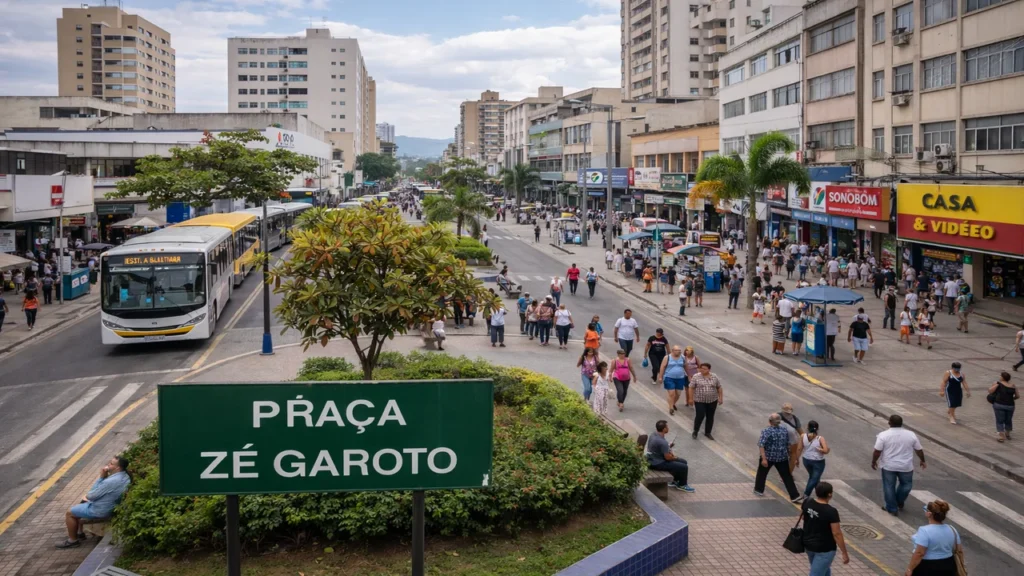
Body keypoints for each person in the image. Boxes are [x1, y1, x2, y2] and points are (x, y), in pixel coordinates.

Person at [56, 456, 131, 549]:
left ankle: (72, 541)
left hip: (100, 510)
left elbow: (91, 495)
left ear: (118, 468)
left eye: (111, 464)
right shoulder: (125, 476)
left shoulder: (110, 481)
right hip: (113, 506)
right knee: (82, 504)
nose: (108, 464)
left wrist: (101, 477)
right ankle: (79, 533)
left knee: (70, 513)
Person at [872, 414, 926, 515]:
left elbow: (877, 451)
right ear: (902, 423)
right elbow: (918, 449)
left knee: (889, 486)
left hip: (889, 466)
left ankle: (892, 507)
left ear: (889, 423)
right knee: (906, 485)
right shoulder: (911, 434)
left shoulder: (883, 435)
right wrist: (922, 460)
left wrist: (874, 461)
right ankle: (899, 501)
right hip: (906, 466)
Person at [905, 500, 962, 576]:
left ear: (929, 514)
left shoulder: (924, 531)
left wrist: (910, 569)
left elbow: (920, 553)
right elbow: (960, 551)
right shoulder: (952, 529)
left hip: (928, 567)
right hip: (949, 565)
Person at [754, 413, 803, 502]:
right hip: (782, 457)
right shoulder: (784, 430)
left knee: (762, 474)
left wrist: (764, 458)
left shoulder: (767, 431)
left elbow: (761, 445)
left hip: (769, 457)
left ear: (770, 421)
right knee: (787, 476)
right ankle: (794, 495)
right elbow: (787, 443)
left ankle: (759, 490)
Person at [645, 420, 695, 492]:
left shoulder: (653, 435)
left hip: (652, 458)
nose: (668, 428)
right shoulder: (662, 442)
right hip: (658, 463)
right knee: (684, 466)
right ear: (664, 429)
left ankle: (675, 480)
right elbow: (668, 458)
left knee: (683, 461)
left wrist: (668, 447)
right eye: (667, 427)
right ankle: (682, 485)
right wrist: (675, 457)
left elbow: (659, 448)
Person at [690, 362, 723, 440]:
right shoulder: (696, 377)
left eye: (704, 369)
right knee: (700, 415)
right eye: (701, 368)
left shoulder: (714, 376)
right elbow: (691, 387)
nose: (702, 370)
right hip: (699, 400)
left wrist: (720, 398)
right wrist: (690, 399)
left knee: (710, 416)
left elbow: (719, 387)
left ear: (709, 369)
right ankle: (695, 431)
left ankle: (708, 432)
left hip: (712, 400)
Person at [801, 421, 830, 500]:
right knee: (814, 478)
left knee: (814, 477)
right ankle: (806, 494)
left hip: (806, 460)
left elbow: (799, 448)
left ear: (807, 428)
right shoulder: (820, 438)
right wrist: (823, 450)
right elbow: (825, 450)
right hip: (818, 461)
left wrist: (796, 459)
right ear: (817, 429)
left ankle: (820, 494)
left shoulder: (803, 436)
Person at [988, 371, 1018, 443]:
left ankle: (1001, 436)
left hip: (999, 405)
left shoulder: (998, 384)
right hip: (1010, 405)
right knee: (1008, 420)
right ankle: (1007, 434)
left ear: (1002, 377)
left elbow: (990, 391)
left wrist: (995, 384)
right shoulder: (1013, 385)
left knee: (1000, 421)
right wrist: (1011, 399)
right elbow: (1017, 396)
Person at [659, 346, 688, 415]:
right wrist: (660, 376)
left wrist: (688, 375)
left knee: (678, 394)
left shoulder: (683, 357)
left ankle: (673, 403)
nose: (678, 352)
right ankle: (671, 408)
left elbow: (685, 366)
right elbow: (662, 367)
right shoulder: (667, 357)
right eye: (676, 350)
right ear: (672, 350)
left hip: (680, 378)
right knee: (672, 393)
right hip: (669, 377)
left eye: (679, 350)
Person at [780, 403, 804, 473]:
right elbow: (801, 433)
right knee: (793, 456)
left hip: (782, 440)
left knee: (791, 456)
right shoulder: (795, 419)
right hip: (792, 441)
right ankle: (789, 474)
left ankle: (787, 473)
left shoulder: (777, 416)